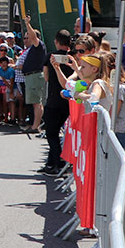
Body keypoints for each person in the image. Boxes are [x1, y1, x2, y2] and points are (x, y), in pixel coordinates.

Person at [42, 30, 74, 173]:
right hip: (68, 101)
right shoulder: (72, 58)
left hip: (53, 100)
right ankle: (50, 164)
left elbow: (46, 77)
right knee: (55, 132)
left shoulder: (51, 56)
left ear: (56, 41)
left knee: (51, 134)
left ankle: (57, 163)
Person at [20, 13, 47, 133]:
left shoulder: (38, 45)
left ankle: (36, 126)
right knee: (34, 102)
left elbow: (34, 37)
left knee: (37, 102)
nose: (27, 38)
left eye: (28, 35)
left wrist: (27, 24)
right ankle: (34, 124)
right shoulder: (32, 49)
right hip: (31, 76)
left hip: (35, 76)